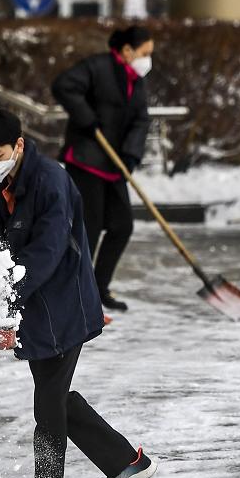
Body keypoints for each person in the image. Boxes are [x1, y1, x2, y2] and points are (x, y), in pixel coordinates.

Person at [0, 108, 156, 478]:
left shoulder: (51, 181)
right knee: (54, 399)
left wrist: (8, 290)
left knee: (48, 404)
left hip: (63, 305)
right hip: (35, 310)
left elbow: (48, 250)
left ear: (19, 145)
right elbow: (4, 244)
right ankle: (126, 460)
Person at [51, 25, 155, 312]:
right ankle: (77, 291)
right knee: (89, 228)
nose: (149, 60)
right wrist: (87, 118)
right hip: (86, 160)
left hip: (114, 163)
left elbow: (141, 120)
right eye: (145, 53)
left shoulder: (138, 81)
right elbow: (63, 85)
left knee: (122, 226)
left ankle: (98, 287)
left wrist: (131, 156)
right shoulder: (97, 67)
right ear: (126, 50)